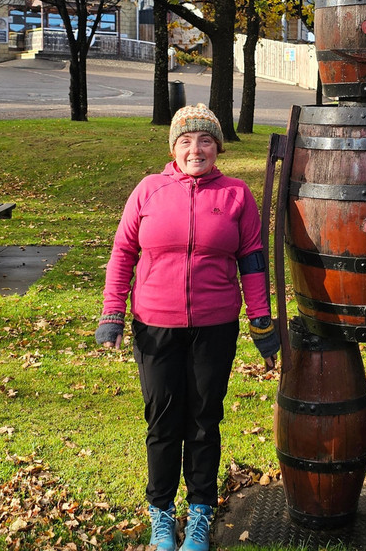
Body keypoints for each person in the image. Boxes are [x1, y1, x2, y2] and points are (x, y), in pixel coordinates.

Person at [95, 103, 280, 551]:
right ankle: (162, 512)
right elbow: (123, 253)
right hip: (155, 325)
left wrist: (261, 322)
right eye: (185, 141)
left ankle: (199, 510)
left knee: (203, 421)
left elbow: (252, 260)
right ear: (173, 147)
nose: (195, 149)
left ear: (217, 146)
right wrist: (111, 313)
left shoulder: (237, 195)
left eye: (205, 141)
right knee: (162, 422)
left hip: (215, 326)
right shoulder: (149, 190)